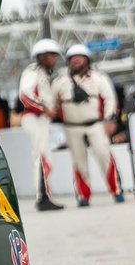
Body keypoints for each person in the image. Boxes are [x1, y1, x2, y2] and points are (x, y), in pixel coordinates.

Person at [53, 44, 124, 206]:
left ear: (87, 60)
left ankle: (116, 190)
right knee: (79, 161)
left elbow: (110, 99)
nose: (76, 61)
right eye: (73, 59)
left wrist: (110, 120)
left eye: (80, 57)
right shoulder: (60, 81)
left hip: (96, 125)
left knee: (104, 155)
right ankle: (83, 196)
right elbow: (52, 102)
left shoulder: (99, 78)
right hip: (72, 126)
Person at [18, 39, 64, 210]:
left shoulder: (43, 74)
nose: (55, 59)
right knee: (41, 157)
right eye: (52, 55)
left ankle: (44, 196)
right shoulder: (33, 71)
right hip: (34, 118)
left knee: (44, 157)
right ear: (42, 56)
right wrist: (44, 108)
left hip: (40, 120)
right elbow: (25, 94)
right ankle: (42, 197)